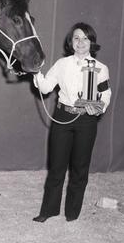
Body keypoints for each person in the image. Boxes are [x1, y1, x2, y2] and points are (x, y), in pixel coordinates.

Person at [32, 22, 111, 222]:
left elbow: (105, 94)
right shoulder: (62, 64)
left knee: (80, 167)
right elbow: (46, 88)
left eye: (85, 38)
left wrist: (99, 106)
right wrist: (36, 73)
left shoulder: (101, 69)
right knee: (56, 166)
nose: (81, 42)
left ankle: (72, 214)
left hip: (87, 121)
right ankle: (48, 211)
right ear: (71, 42)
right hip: (63, 117)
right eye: (76, 38)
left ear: (92, 42)